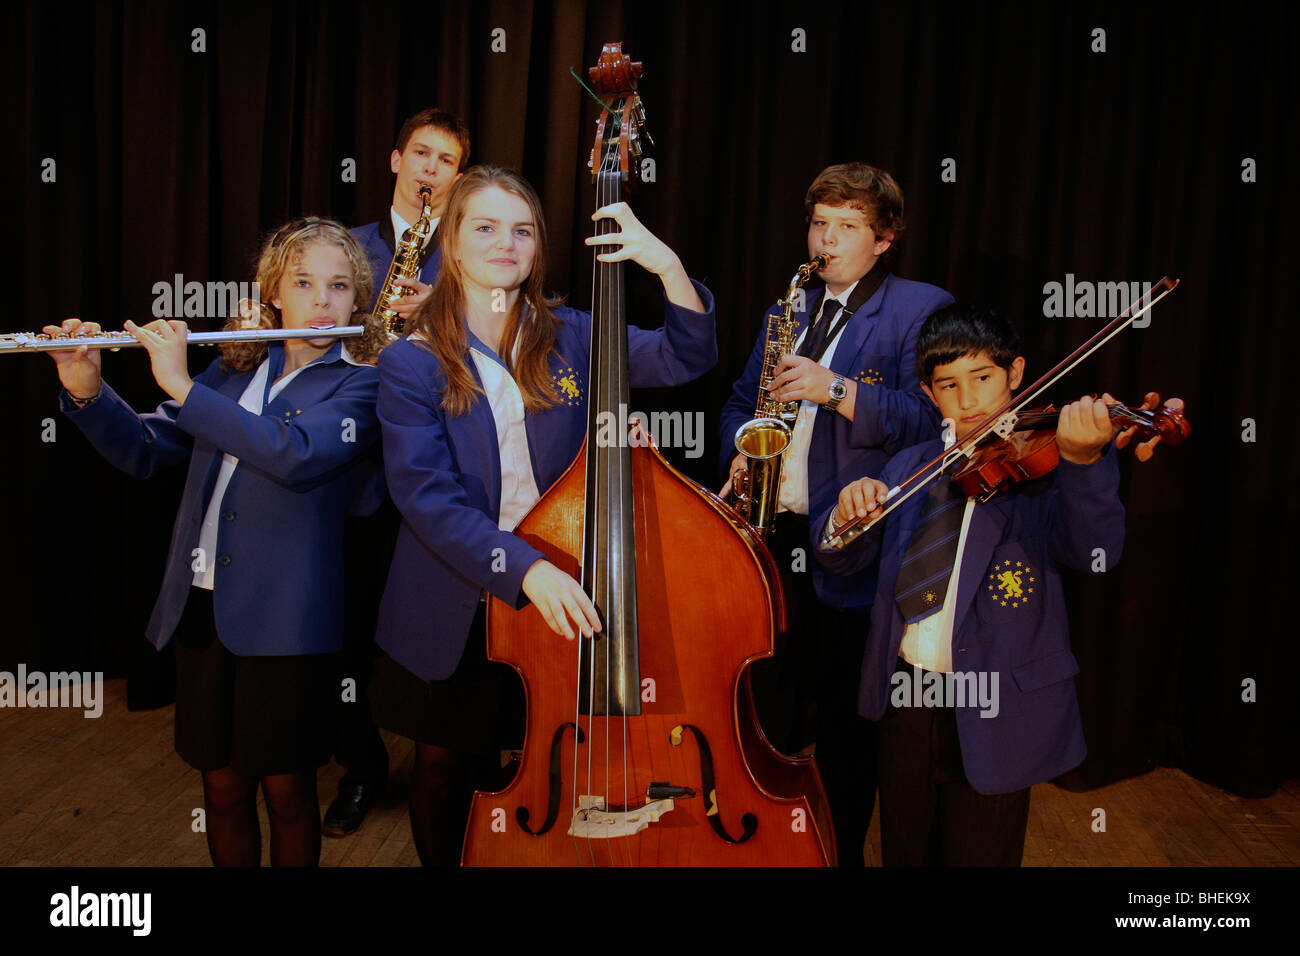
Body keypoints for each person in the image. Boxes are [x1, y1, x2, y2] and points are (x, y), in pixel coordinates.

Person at [372, 165, 716, 866]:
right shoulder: (411, 362)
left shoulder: (574, 335)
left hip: (565, 590)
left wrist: (665, 265)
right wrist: (523, 570)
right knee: (441, 771)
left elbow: (685, 356)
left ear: (538, 247)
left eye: (522, 229)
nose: (507, 242)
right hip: (461, 599)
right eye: (487, 227)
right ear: (453, 243)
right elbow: (427, 500)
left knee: (540, 766)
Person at [46, 218, 387, 866]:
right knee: (222, 786)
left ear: (356, 301)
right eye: (305, 282)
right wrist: (87, 390)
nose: (322, 300)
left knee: (288, 792)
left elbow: (292, 453)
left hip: (286, 621)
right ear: (273, 292)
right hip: (204, 607)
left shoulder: (361, 384)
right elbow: (148, 450)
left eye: (339, 286)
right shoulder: (235, 371)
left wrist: (176, 382)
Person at [814, 304, 1126, 865]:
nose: (969, 399)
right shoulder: (909, 466)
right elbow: (839, 559)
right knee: (905, 848)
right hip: (905, 696)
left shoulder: (1043, 473)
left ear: (1016, 373)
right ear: (931, 395)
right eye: (948, 385)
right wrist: (843, 515)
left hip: (998, 703)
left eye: (983, 377)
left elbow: (1095, 554)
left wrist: (1083, 462)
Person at [718, 161, 953, 864]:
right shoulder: (786, 309)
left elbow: (936, 420)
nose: (827, 239)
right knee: (772, 715)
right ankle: (773, 846)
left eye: (847, 226)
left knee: (851, 733)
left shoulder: (922, 308)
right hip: (775, 538)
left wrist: (836, 388)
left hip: (860, 547)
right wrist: (741, 447)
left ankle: (839, 852)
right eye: (820, 222)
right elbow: (739, 402)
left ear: (885, 239)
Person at [327, 107, 470, 836]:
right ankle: (362, 765)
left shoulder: (473, 255)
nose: (430, 170)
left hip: (436, 475)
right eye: (421, 153)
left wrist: (440, 320)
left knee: (433, 633)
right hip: (347, 472)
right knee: (344, 634)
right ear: (393, 160)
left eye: (446, 161)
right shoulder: (344, 248)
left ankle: (445, 768)